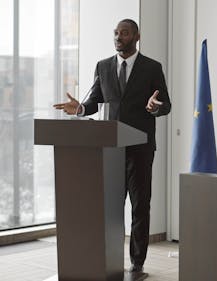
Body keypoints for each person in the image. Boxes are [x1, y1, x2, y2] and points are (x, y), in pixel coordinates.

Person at [53, 19, 171, 273]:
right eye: (116, 33)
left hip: (140, 148)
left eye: (124, 33)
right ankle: (110, 259)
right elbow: (94, 101)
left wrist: (155, 107)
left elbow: (166, 104)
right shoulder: (103, 66)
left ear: (136, 36)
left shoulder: (152, 68)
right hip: (109, 152)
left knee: (140, 206)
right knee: (112, 208)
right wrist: (81, 109)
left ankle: (137, 263)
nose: (118, 37)